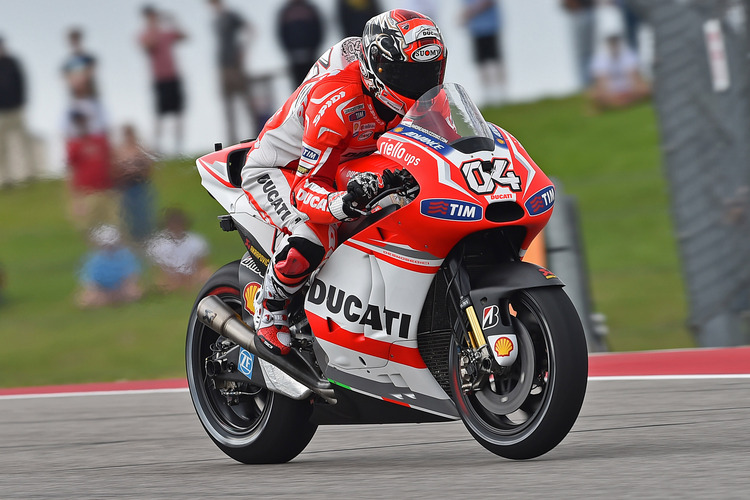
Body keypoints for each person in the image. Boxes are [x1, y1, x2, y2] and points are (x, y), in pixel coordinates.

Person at [241, 9, 447, 355]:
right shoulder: (337, 102)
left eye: (428, 73)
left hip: (348, 160)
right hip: (285, 169)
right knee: (314, 234)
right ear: (378, 70)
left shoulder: (430, 101)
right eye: (406, 74)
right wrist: (342, 203)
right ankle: (270, 311)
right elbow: (308, 187)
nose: (420, 85)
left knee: (412, 196)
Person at [139, 5, 187, 156]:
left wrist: (173, 20)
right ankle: (157, 148)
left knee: (178, 113)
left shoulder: (166, 33)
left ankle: (178, 149)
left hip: (173, 77)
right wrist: (154, 28)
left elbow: (184, 36)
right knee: (160, 115)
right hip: (160, 80)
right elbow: (148, 47)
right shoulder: (145, 35)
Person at [207, 0, 256, 143]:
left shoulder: (232, 16)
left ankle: (257, 133)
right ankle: (231, 140)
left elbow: (251, 29)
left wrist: (244, 51)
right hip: (223, 67)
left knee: (246, 101)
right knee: (228, 107)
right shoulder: (216, 21)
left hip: (235, 66)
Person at [66, 110, 117, 232]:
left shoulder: (100, 141)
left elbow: (112, 162)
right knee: (90, 229)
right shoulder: (74, 145)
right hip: (87, 194)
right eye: (78, 122)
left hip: (106, 191)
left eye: (82, 121)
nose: (81, 124)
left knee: (114, 228)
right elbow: (71, 172)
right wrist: (76, 200)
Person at [0, 36, 37, 187]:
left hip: (17, 110)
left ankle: (30, 174)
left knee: (24, 143)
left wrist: (22, 102)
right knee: (3, 148)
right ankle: (6, 178)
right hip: (2, 113)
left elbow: (22, 82)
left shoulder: (13, 62)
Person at [76, 225, 142, 308]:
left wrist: (124, 286)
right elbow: (91, 281)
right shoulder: (95, 259)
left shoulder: (126, 255)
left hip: (121, 287)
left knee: (133, 293)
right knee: (86, 301)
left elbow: (132, 275)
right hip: (102, 289)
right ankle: (109, 299)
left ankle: (112, 299)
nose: (109, 247)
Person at [146, 208, 212, 291]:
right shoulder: (158, 243)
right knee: (160, 281)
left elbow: (202, 264)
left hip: (192, 275)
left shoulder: (197, 241)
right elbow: (158, 268)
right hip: (169, 276)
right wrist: (174, 275)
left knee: (208, 273)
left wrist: (190, 275)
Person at [113, 124, 156, 243]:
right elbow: (115, 169)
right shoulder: (119, 150)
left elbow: (149, 166)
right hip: (125, 187)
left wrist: (138, 168)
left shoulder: (140, 149)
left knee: (142, 213)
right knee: (126, 214)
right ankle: (130, 239)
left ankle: (145, 237)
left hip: (140, 185)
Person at [61, 28, 107, 138]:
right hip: (76, 100)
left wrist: (81, 79)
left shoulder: (89, 58)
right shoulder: (68, 62)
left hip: (91, 98)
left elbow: (91, 72)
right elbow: (65, 77)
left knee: (98, 128)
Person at [588, 32, 650, 111]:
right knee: (594, 94)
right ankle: (625, 102)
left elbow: (634, 77)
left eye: (615, 44)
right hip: (611, 90)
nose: (614, 47)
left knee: (645, 88)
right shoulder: (600, 59)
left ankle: (615, 104)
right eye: (612, 44)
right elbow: (602, 81)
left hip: (628, 87)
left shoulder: (628, 55)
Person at [461, 0, 505, 106]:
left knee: (495, 61)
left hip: (490, 27)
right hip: (476, 29)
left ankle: (502, 94)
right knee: (482, 63)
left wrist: (471, 12)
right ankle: (488, 94)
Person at [277, 0, 324, 87]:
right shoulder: (286, 12)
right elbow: (282, 34)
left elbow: (319, 30)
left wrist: (313, 49)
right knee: (299, 88)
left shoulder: (310, 10)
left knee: (315, 85)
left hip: (311, 56)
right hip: (294, 58)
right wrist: (290, 52)